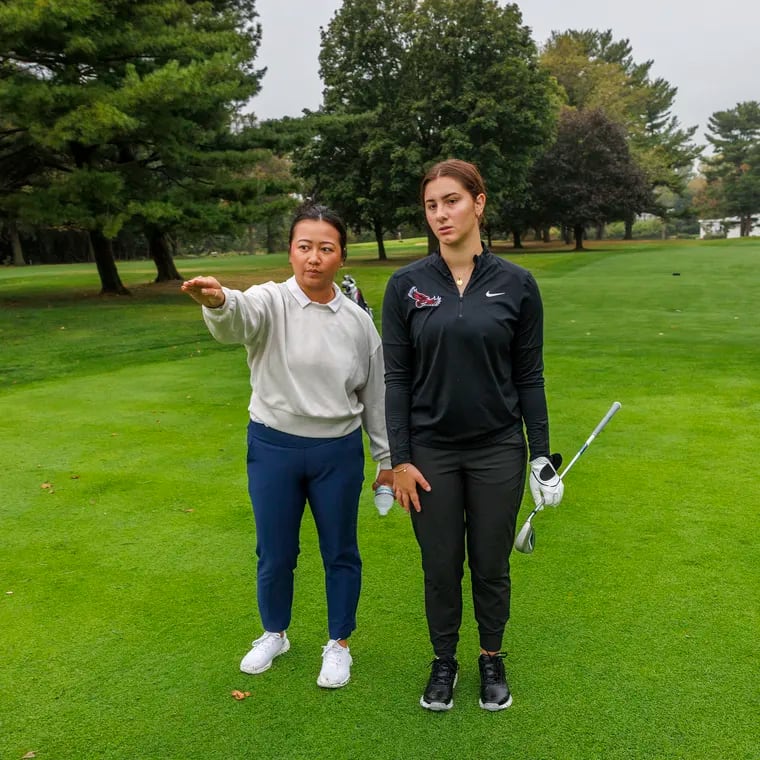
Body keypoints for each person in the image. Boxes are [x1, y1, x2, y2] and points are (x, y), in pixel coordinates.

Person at [182, 204, 393, 689]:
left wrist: (385, 458)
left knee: (340, 550)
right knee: (275, 551)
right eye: (304, 247)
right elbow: (239, 316)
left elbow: (375, 395)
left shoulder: (358, 322)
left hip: (336, 452)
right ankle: (275, 632)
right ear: (291, 251)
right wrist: (218, 302)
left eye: (326, 248)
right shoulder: (269, 300)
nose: (313, 258)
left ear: (341, 256)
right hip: (273, 447)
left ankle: (338, 643)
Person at [381, 159, 564, 712]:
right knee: (439, 566)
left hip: (497, 450)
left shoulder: (516, 284)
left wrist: (541, 457)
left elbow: (528, 377)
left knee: (489, 563)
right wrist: (401, 460)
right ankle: (443, 662)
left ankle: (490, 657)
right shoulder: (406, 286)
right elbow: (397, 379)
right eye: (432, 205)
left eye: (452, 201)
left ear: (478, 203)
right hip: (430, 453)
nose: (441, 214)